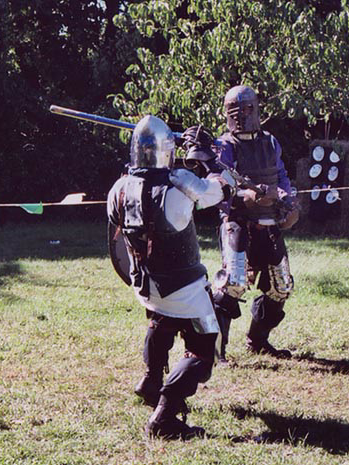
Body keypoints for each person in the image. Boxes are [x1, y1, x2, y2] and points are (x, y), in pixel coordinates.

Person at [107, 115, 231, 439]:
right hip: (184, 289)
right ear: (168, 151)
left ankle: (150, 381)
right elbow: (221, 190)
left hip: (146, 286)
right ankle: (164, 416)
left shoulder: (118, 189)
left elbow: (117, 238)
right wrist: (208, 157)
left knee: (161, 319)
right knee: (205, 350)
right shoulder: (179, 185)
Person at [211, 85, 299, 362]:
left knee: (281, 286)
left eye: (248, 109)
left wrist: (286, 199)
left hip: (269, 221)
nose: (242, 116)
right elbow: (217, 183)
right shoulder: (223, 145)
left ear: (257, 109)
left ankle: (258, 340)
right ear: (226, 113)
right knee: (233, 284)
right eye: (235, 111)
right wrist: (242, 196)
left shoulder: (271, 142)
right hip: (237, 220)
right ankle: (214, 350)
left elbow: (281, 176)